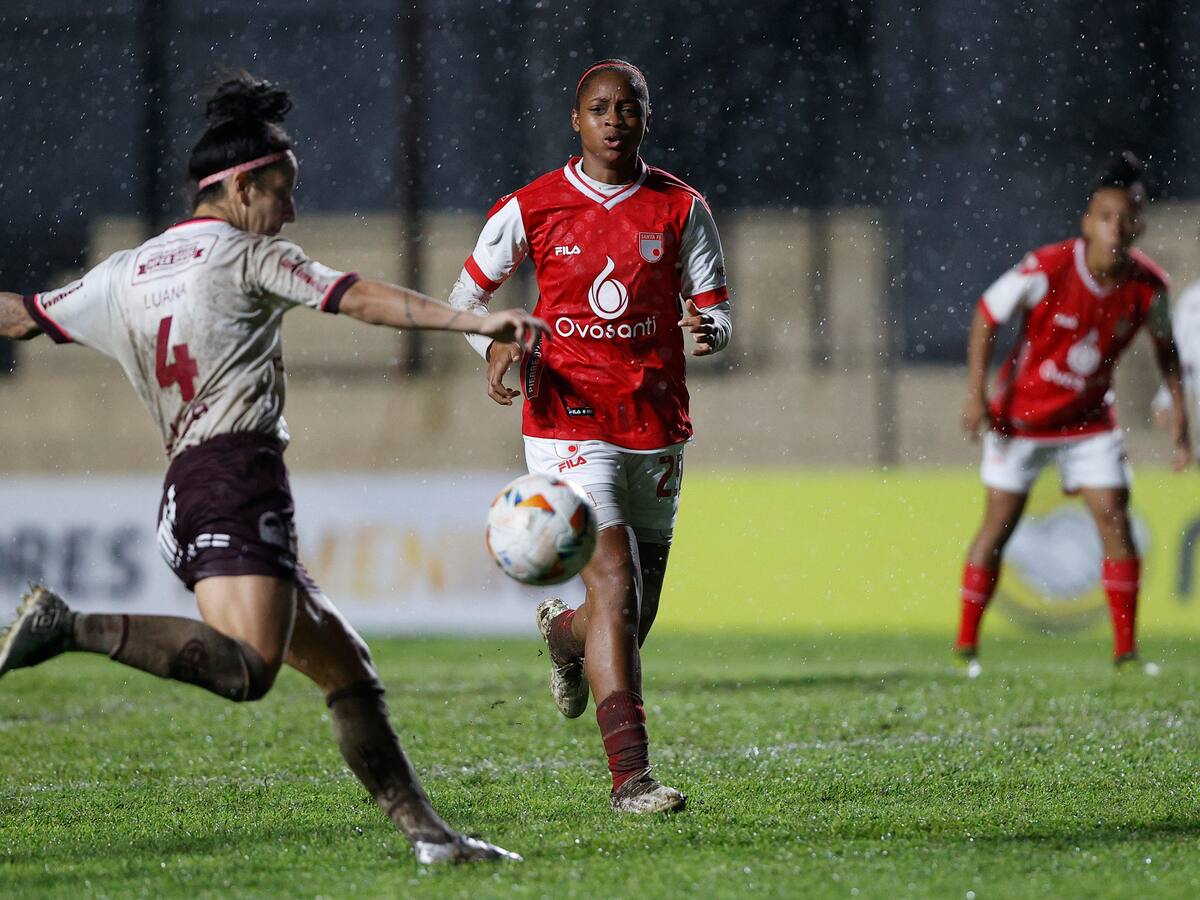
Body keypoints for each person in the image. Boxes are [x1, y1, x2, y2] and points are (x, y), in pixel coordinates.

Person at [0, 73, 547, 864]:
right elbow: (356, 297)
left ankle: (434, 840)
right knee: (248, 670)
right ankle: (70, 626)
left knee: (343, 663)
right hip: (234, 477)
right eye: (283, 191)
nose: (291, 210)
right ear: (243, 185)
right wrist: (475, 317)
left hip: (190, 483)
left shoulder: (124, 271)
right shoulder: (250, 255)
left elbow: (21, 317)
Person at [448, 59, 732, 812]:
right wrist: (495, 345)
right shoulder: (533, 206)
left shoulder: (681, 209)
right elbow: (465, 296)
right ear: (577, 121)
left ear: (645, 117)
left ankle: (564, 637)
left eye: (627, 107)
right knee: (613, 583)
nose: (613, 119)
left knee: (632, 615)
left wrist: (713, 329)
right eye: (599, 108)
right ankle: (631, 779)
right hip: (565, 420)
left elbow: (716, 306)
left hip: (655, 422)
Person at [954, 151, 1190, 676]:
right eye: (1106, 217)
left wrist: (1181, 426)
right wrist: (976, 393)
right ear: (1088, 222)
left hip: (1088, 423)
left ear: (1139, 227)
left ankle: (1126, 652)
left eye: (1127, 218)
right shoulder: (1048, 267)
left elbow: (1168, 355)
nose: (1116, 227)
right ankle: (966, 646)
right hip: (1022, 419)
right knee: (999, 526)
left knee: (1114, 517)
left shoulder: (1150, 288)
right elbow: (986, 314)